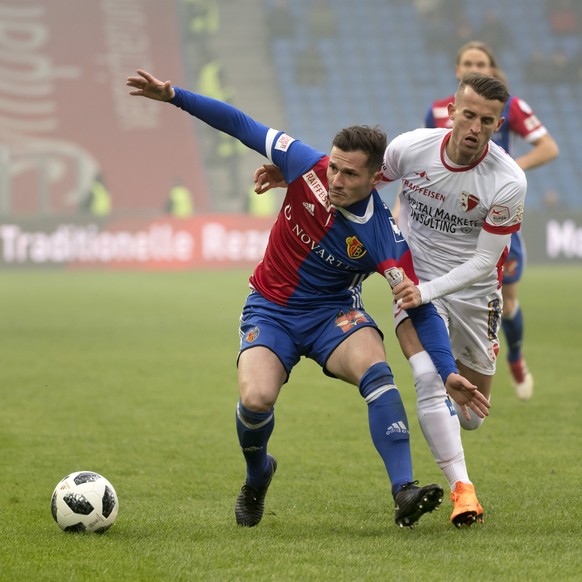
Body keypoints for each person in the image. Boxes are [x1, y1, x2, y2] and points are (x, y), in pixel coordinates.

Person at [127, 69, 489, 530]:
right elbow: (241, 124)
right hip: (271, 308)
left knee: (377, 370)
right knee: (256, 398)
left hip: (332, 316)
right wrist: (174, 96)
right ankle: (258, 476)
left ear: (376, 178)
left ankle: (403, 490)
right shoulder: (305, 164)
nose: (334, 178)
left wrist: (448, 371)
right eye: (334, 166)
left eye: (349, 173)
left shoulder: (383, 237)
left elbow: (420, 307)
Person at [253, 72, 523, 526]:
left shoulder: (508, 182)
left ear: (499, 125)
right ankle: (463, 491)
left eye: (488, 121)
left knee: (472, 415)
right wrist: (298, 178)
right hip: (411, 277)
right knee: (426, 376)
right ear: (452, 111)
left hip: (474, 292)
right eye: (469, 115)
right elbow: (359, 181)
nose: (475, 127)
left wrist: (428, 290)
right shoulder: (411, 148)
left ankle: (457, 444)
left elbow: (484, 263)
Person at [422, 41, 559, 400]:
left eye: (482, 62)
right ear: (457, 70)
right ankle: (447, 363)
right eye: (468, 62)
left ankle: (513, 357)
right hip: (448, 220)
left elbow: (548, 147)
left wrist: (513, 175)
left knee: (507, 300)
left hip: (494, 216)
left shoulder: (510, 107)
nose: (476, 67)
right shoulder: (437, 110)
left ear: (493, 68)